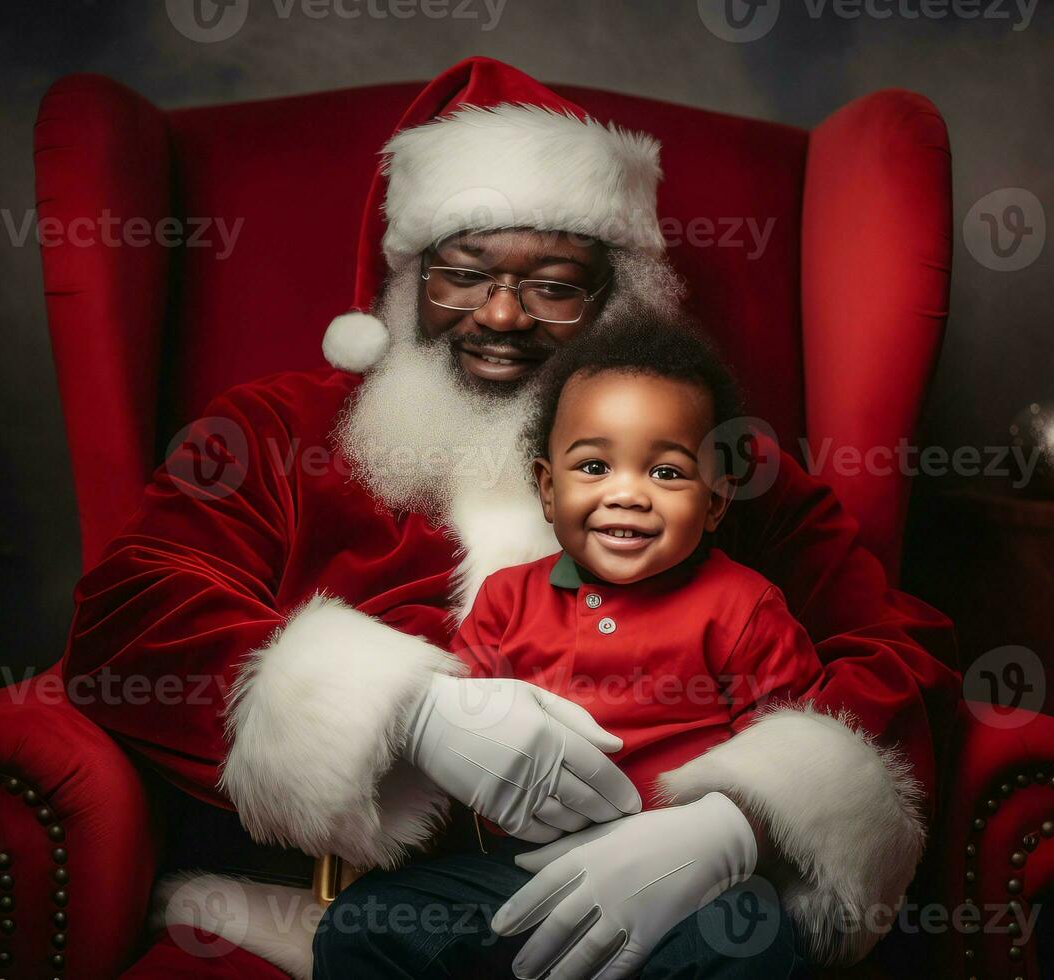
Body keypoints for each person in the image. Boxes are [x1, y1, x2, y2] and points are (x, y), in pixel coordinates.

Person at [64, 56, 961, 978]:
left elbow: (895, 651)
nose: (500, 315)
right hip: (390, 900)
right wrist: (408, 714)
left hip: (656, 907)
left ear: (615, 295)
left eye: (554, 284)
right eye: (463, 273)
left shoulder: (707, 456)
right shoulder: (272, 432)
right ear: (408, 280)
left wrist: (736, 824)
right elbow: (127, 617)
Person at [318, 316, 824, 978]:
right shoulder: (506, 598)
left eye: (667, 472)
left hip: (679, 887)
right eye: (593, 466)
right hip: (517, 878)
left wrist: (728, 834)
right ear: (549, 490)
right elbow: (461, 730)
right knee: (362, 924)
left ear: (717, 498)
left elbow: (793, 760)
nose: (626, 494)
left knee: (755, 932)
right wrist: (425, 725)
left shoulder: (743, 605)